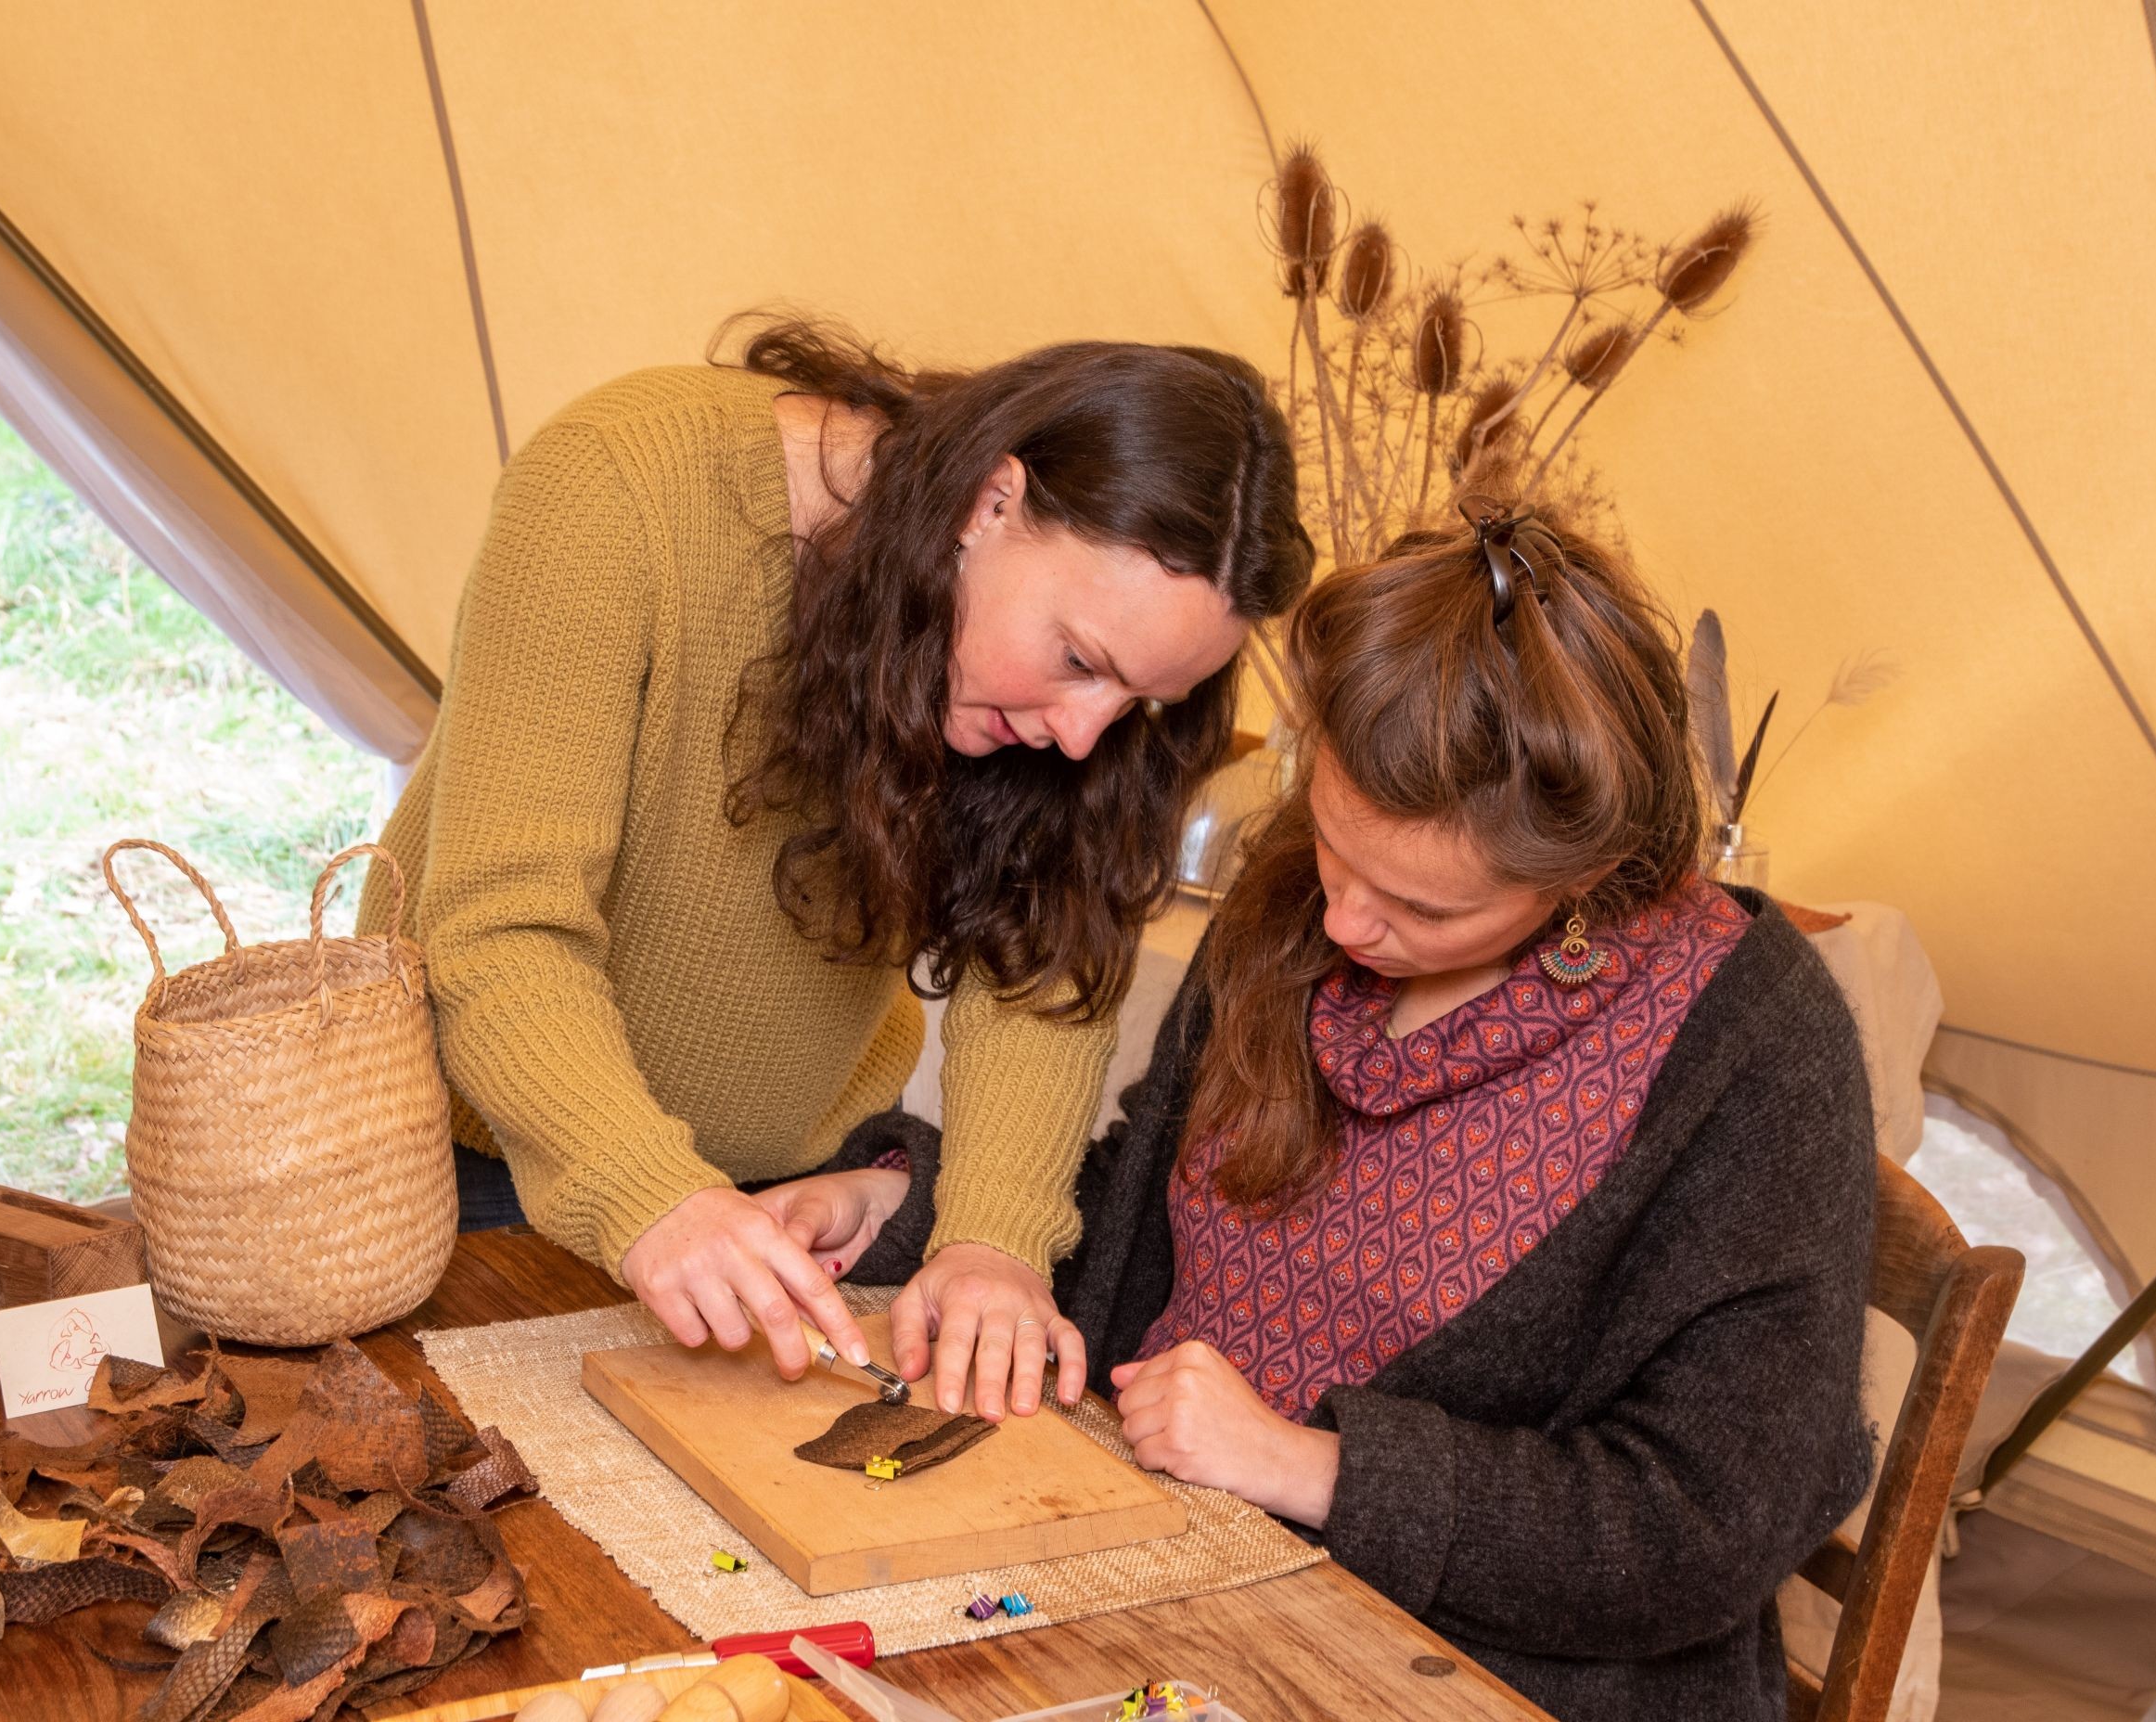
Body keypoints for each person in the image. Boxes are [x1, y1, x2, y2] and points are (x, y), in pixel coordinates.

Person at [773, 495, 1876, 1720]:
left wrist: (1315, 1470)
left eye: (1429, 911)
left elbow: (1700, 1528)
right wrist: (913, 1200)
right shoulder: (1295, 899)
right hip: (1168, 1583)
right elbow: (1138, 1206)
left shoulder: (1752, 1049)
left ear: (1588, 879)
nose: (1346, 922)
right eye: (1338, 850)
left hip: (1476, 1678)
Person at [363, 320, 1313, 1421]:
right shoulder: (617, 486)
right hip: (473, 1170)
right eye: (1079, 661)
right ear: (987, 502)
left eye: (1135, 700)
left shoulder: (1057, 708)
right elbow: (501, 930)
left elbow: (1041, 966)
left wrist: (993, 1238)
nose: (1086, 734)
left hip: (782, 1205)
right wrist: (647, 1193)